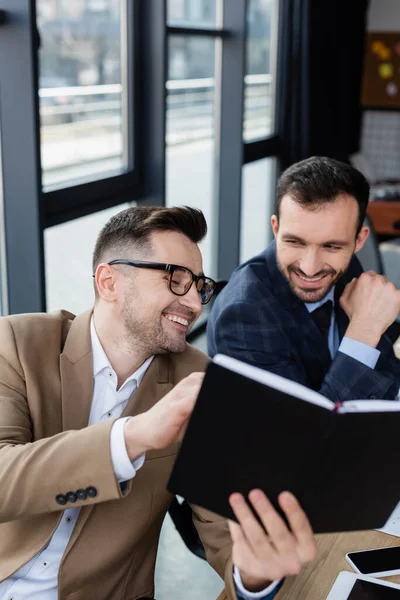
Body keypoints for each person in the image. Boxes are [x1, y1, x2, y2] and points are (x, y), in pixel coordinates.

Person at [0, 205, 316, 600]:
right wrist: (133, 437)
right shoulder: (16, 343)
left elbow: (222, 526)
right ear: (109, 282)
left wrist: (253, 577)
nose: (197, 304)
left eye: (199, 286)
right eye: (176, 279)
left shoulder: (197, 380)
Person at [208, 156, 400, 401]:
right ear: (275, 229)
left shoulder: (345, 265)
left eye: (331, 246)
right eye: (295, 242)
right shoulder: (243, 315)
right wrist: (364, 332)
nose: (310, 268)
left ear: (358, 241)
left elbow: (384, 369)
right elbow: (306, 433)